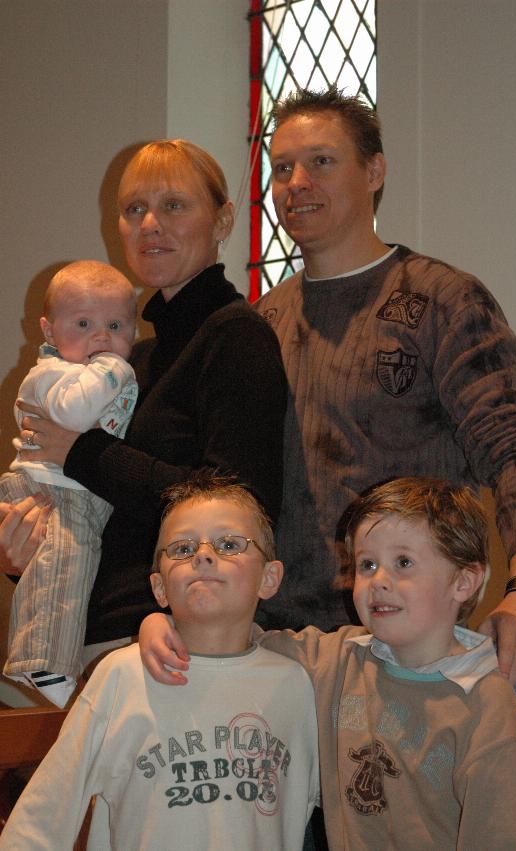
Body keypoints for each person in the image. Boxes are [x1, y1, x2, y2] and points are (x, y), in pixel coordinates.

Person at [253, 87, 516, 684]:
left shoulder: (442, 298)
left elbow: (515, 446)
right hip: (281, 651)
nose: (296, 182)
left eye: (321, 161)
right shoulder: (261, 323)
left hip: (414, 650)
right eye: (282, 167)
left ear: (374, 171)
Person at [140, 477, 516, 850]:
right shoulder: (336, 659)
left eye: (403, 562)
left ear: (464, 581)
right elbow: (236, 639)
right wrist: (163, 622)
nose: (379, 580)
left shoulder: (486, 704)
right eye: (367, 565)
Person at [1, 139, 287, 661]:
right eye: (135, 209)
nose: (150, 223)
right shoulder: (135, 358)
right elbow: (105, 508)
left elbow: (240, 508)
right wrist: (31, 545)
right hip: (88, 628)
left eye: (173, 205)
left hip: (175, 635)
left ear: (223, 221)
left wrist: (80, 452)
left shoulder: (235, 335)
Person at [0, 471, 319, 850]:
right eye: (183, 549)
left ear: (270, 578)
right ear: (159, 587)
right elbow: (40, 822)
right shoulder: (121, 676)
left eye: (229, 544)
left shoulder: (295, 685)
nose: (203, 554)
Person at [1, 260, 138, 707]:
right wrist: (113, 368)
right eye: (83, 324)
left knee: (62, 571)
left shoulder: (82, 370)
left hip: (67, 487)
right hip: (51, 488)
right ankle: (43, 663)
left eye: (115, 325)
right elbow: (77, 414)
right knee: (64, 567)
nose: (101, 337)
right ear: (49, 330)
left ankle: (47, 659)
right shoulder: (56, 374)